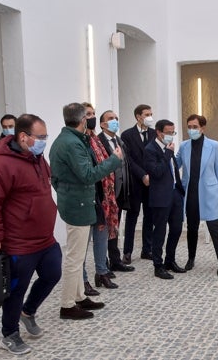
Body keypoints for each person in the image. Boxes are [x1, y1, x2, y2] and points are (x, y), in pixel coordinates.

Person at [0, 114, 62, 355]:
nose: (44, 141)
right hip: (18, 242)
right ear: (23, 137)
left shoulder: (37, 158)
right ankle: (9, 333)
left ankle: (28, 311)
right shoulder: (2, 165)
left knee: (53, 274)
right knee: (16, 289)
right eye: (41, 137)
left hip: (44, 238)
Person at [50, 102, 122, 320]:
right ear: (83, 120)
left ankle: (80, 297)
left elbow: (57, 178)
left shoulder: (70, 140)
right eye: (88, 116)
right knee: (75, 258)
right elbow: (88, 175)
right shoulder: (72, 143)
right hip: (78, 206)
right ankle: (67, 305)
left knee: (79, 255)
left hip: (77, 202)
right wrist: (114, 160)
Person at [176, 114, 218, 276]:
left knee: (214, 227)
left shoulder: (213, 145)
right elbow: (174, 164)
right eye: (189, 127)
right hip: (190, 192)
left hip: (209, 192)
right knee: (191, 228)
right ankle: (191, 259)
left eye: (195, 127)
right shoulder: (184, 146)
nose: (192, 130)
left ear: (202, 128)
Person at [81, 103, 120, 292]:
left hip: (102, 196)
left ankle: (101, 272)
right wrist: (113, 161)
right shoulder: (79, 142)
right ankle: (83, 280)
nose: (92, 117)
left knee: (101, 236)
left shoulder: (95, 139)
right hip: (85, 197)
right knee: (81, 244)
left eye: (94, 113)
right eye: (88, 114)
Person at [144, 119, 185, 279]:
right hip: (160, 196)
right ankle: (158, 265)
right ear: (159, 132)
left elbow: (173, 170)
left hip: (175, 193)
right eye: (168, 133)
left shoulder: (168, 148)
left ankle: (170, 260)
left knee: (176, 229)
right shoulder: (150, 149)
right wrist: (168, 154)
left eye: (173, 132)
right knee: (160, 231)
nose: (171, 136)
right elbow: (157, 172)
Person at [98, 110, 135, 273]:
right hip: (105, 192)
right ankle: (102, 262)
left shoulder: (120, 141)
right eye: (110, 119)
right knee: (104, 229)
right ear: (102, 124)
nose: (114, 121)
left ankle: (115, 260)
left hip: (120, 192)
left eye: (116, 118)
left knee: (115, 227)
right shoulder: (97, 142)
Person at [120, 104, 156, 263]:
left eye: (151, 114)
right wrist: (142, 175)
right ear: (138, 117)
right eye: (147, 114)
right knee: (132, 217)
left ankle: (147, 249)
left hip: (151, 182)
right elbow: (128, 159)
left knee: (149, 216)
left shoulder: (155, 134)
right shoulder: (127, 135)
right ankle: (127, 251)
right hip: (135, 182)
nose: (150, 117)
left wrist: (152, 175)